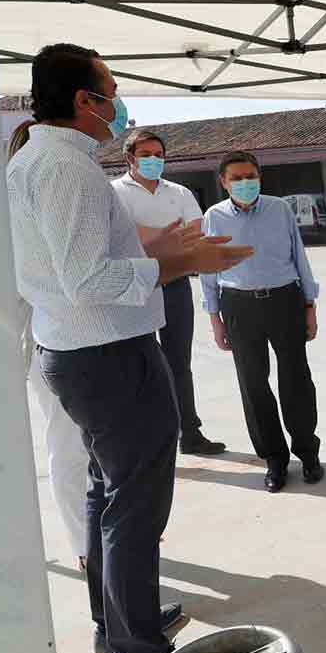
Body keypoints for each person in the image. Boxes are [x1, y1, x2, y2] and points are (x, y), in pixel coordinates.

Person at [6, 43, 253, 653]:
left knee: (109, 496)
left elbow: (80, 254)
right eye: (110, 89)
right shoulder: (65, 169)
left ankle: (117, 626)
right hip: (107, 355)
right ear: (86, 101)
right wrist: (173, 265)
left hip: (89, 353)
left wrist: (160, 246)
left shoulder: (51, 161)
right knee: (134, 508)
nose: (119, 103)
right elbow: (87, 278)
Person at [201, 151, 324, 494]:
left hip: (285, 300)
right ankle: (274, 459)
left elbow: (299, 256)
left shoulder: (279, 209)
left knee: (296, 379)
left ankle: (307, 452)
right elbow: (209, 270)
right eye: (236, 178)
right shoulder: (214, 217)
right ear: (223, 182)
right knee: (254, 385)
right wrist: (215, 319)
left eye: (250, 176)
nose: (244, 183)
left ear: (260, 177)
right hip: (239, 306)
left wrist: (309, 305)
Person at [112, 130, 226, 455]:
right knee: (141, 364)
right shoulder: (114, 192)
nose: (154, 160)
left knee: (180, 362)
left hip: (175, 284)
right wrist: (164, 238)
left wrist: (152, 239)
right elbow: (125, 235)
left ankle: (189, 433)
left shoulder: (179, 192)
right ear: (130, 158)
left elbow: (195, 232)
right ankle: (148, 438)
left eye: (158, 154)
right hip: (137, 286)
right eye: (146, 154)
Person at [10, 119, 89, 568]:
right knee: (68, 445)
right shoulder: (13, 217)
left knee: (86, 446)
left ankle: (95, 537)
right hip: (45, 345)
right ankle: (84, 545)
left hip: (72, 342)